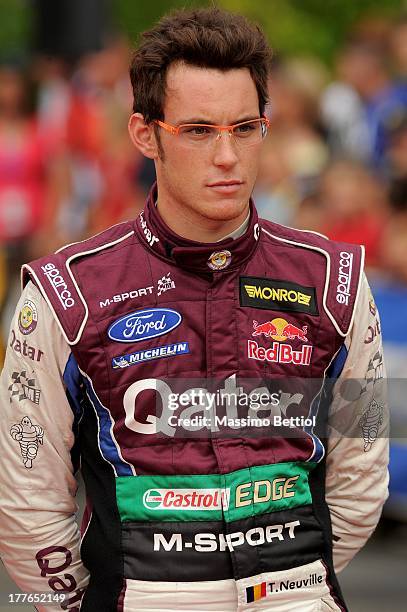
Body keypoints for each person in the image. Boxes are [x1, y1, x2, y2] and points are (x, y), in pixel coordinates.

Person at [0, 8, 388, 612]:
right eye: (199, 130)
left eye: (245, 127)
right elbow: (27, 498)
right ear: (145, 134)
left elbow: (362, 472)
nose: (229, 156)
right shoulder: (65, 294)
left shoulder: (336, 281)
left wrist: (287, 588)